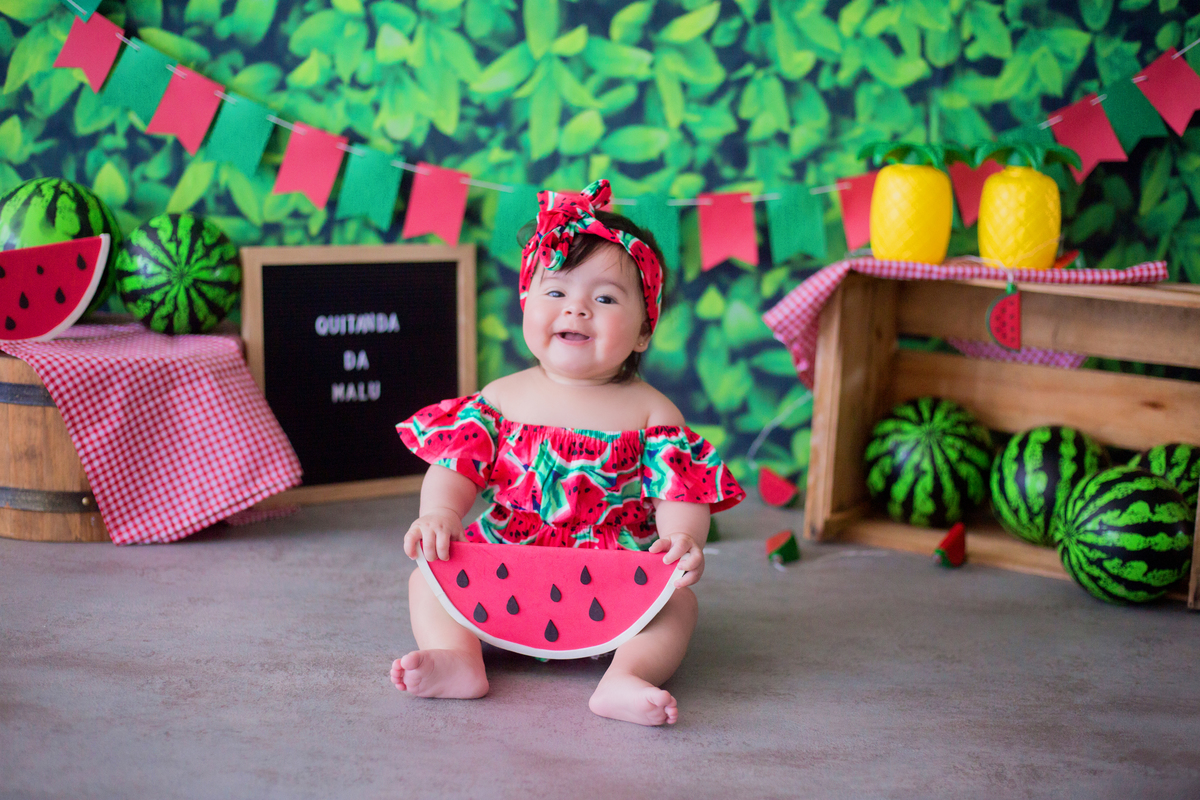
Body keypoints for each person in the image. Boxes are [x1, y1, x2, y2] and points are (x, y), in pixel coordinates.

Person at [391, 179, 745, 726]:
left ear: (644, 330)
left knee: (677, 605)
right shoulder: (501, 398)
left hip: (615, 568)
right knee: (427, 576)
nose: (577, 309)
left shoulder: (653, 412)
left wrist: (682, 539)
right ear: (527, 302)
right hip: (506, 551)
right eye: (556, 292)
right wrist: (439, 514)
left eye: (604, 298)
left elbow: (679, 491)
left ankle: (627, 675)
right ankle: (460, 659)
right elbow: (456, 466)